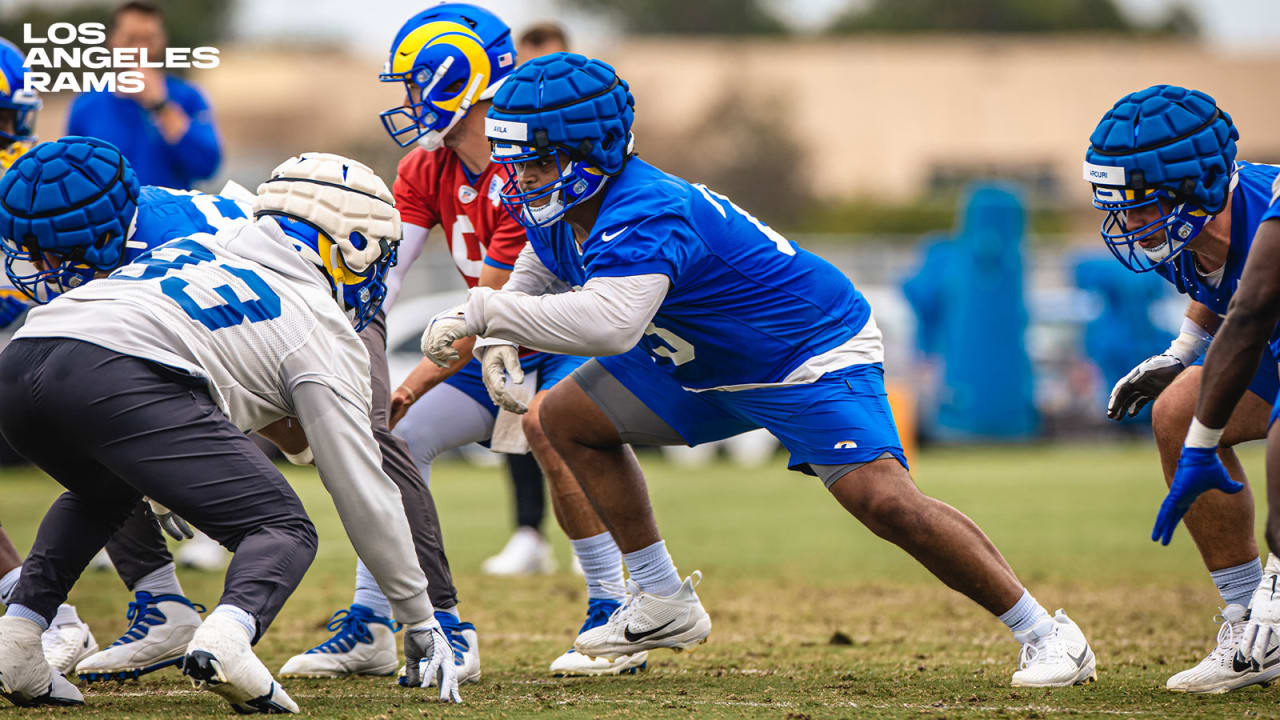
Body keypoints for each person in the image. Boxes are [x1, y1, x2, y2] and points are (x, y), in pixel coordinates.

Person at [424, 52, 1097, 688]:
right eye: (513, 159)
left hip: (801, 352)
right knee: (567, 420)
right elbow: (545, 263)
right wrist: (501, 334)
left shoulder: (648, 207)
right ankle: (659, 596)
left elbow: (610, 325)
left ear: (589, 149)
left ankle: (1047, 632)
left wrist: (485, 315)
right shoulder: (563, 195)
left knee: (885, 503)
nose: (519, 176)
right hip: (704, 355)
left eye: (535, 160)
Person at [0, 141, 461, 710]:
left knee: (101, 492)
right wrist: (419, 619)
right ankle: (227, 637)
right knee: (283, 528)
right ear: (353, 244)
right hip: (117, 375)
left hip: (22, 363)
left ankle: (19, 637)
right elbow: (362, 489)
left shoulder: (199, 244)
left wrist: (168, 470)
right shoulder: (317, 323)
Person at [282, 4, 645, 680]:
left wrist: (411, 382)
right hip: (487, 343)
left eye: (418, 84)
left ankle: (613, 609)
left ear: (463, 75)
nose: (411, 102)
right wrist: (331, 335)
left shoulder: (525, 165)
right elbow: (382, 280)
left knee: (549, 429)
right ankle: (371, 623)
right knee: (397, 441)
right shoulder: (427, 167)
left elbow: (499, 305)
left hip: (559, 331)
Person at [1083, 85, 1280, 693]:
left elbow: (1250, 309)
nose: (1130, 224)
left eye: (1143, 206)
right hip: (1265, 337)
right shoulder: (1188, 229)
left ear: (1198, 185)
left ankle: (1273, 615)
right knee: (1179, 411)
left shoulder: (1267, 212)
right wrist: (1182, 353)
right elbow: (1221, 288)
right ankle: (1249, 625)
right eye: (1121, 206)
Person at [66, 1, 221, 189]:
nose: (141, 50)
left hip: (170, 215)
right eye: (131, 39)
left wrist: (161, 106)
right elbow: (72, 176)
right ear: (112, 41)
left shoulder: (188, 97)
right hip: (111, 218)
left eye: (149, 39)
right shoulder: (86, 106)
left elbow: (207, 166)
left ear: (163, 40)